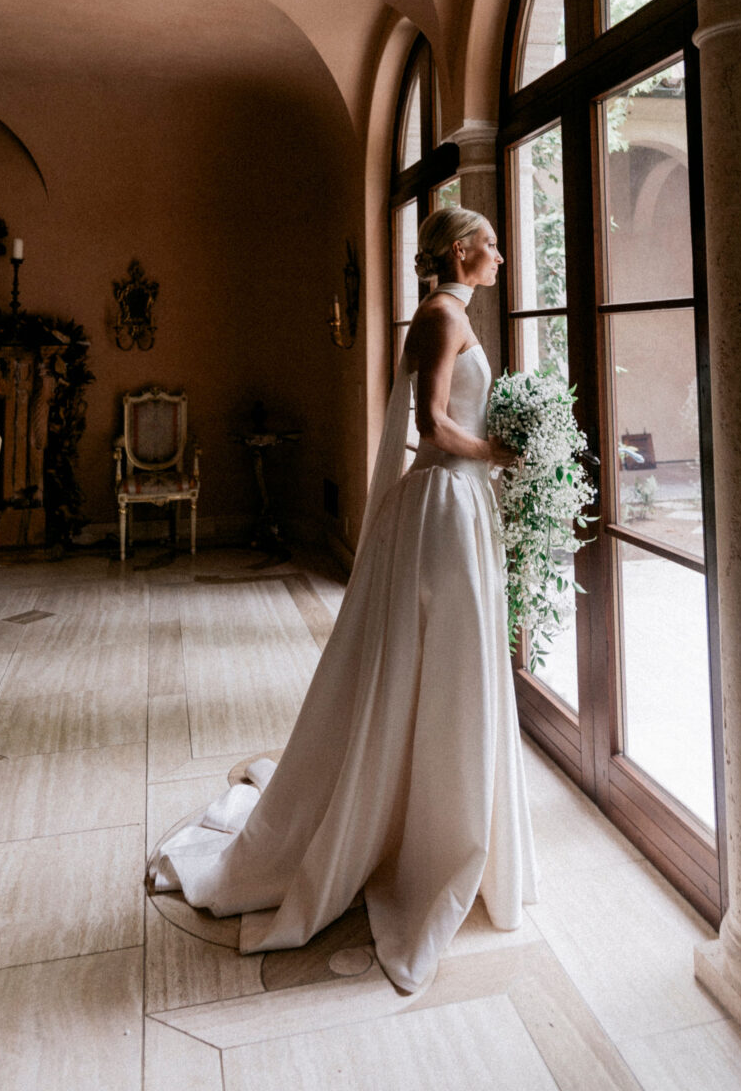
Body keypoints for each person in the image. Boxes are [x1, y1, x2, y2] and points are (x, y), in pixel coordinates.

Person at [147, 206, 538, 993]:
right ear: (462, 251)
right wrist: (506, 451)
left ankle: (440, 807)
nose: (500, 255)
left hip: (461, 502)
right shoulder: (438, 317)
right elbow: (431, 426)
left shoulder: (449, 313)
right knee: (442, 660)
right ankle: (421, 831)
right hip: (444, 505)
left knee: (451, 664)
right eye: (491, 244)